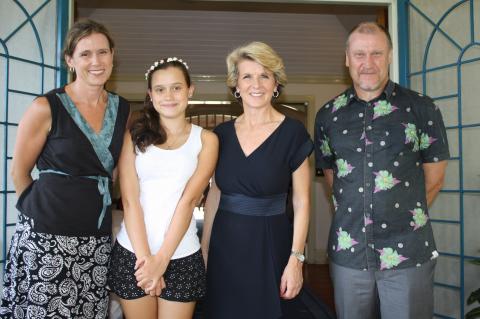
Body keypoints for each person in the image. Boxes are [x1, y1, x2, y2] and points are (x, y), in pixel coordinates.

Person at [314, 22, 449, 319]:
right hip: (349, 254)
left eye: (376, 53)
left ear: (389, 56)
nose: (368, 63)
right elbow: (333, 179)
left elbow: (435, 179)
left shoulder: (423, 108)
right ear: (347, 59)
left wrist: (398, 216)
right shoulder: (327, 115)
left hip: (409, 253)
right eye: (359, 54)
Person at [0, 19, 130, 318]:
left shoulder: (123, 110)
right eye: (85, 54)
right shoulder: (46, 107)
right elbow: (19, 173)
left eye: (103, 52)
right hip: (45, 238)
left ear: (112, 55)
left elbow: (119, 175)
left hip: (94, 239)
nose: (95, 62)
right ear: (70, 60)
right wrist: (38, 216)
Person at [202, 41, 313, 319]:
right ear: (236, 85)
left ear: (275, 83)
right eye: (247, 76)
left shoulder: (293, 133)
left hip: (272, 244)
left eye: (265, 75)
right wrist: (204, 251)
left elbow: (301, 201)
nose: (256, 84)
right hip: (225, 246)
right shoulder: (221, 135)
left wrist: (296, 260)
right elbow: (215, 195)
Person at [108, 57, 218, 319]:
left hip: (181, 255)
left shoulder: (206, 140)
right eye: (160, 89)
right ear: (150, 94)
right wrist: (147, 261)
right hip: (133, 254)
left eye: (176, 87)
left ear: (190, 90)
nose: (168, 96)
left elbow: (189, 201)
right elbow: (130, 201)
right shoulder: (133, 138)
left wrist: (161, 261)